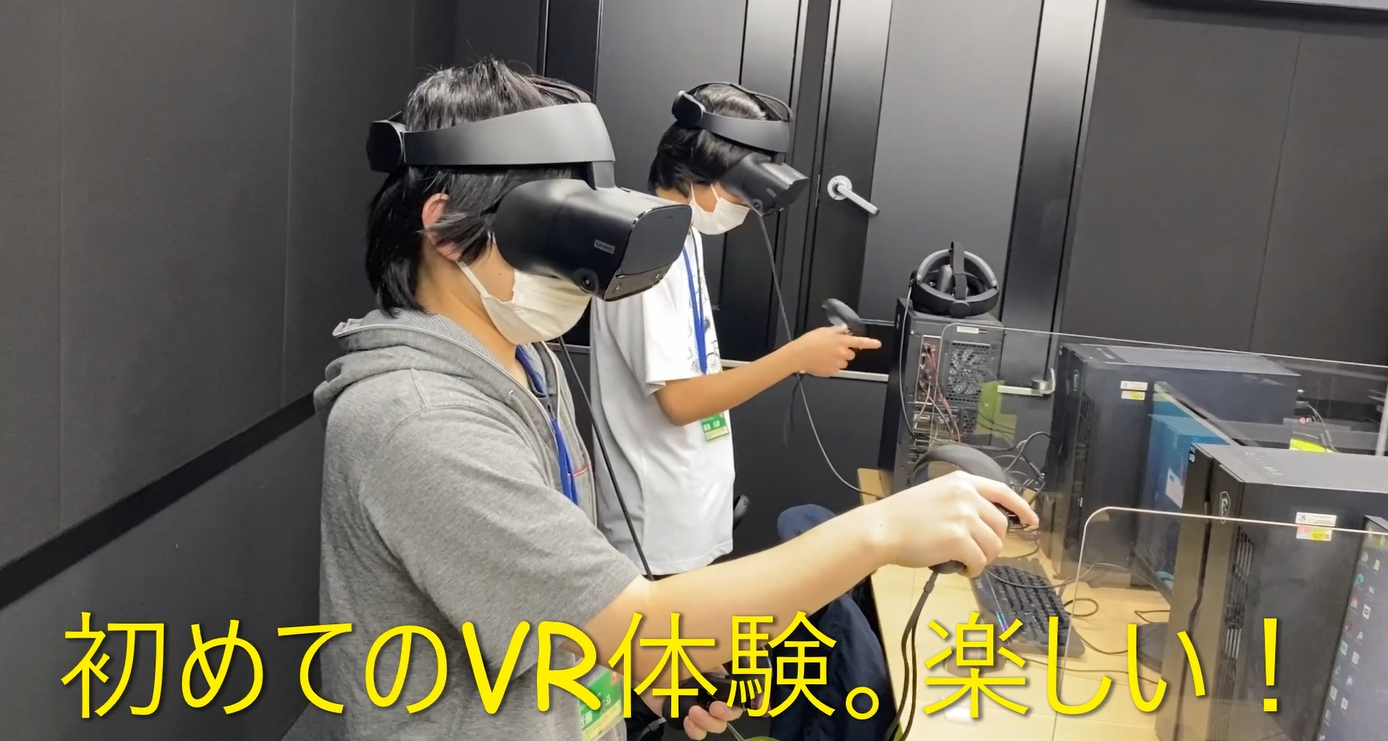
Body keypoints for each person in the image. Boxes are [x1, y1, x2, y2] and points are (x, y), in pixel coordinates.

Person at [315, 60, 1037, 741]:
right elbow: (645, 625)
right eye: (553, 228)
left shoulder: (524, 359)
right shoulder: (422, 419)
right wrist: (879, 531)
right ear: (445, 228)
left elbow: (554, 607)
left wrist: (640, 674)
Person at [589, 82, 878, 579]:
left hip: (688, 503)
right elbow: (680, 402)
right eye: (741, 188)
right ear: (696, 171)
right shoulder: (646, 251)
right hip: (655, 526)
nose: (748, 206)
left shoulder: (683, 237)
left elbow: (690, 368)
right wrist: (795, 357)